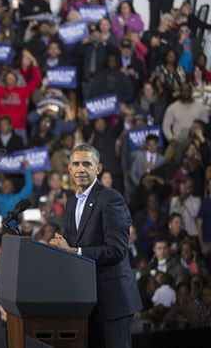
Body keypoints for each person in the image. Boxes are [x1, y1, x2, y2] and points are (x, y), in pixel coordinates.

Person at [50, 144, 142, 348]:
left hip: (113, 299)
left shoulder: (111, 198)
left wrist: (74, 252)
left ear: (98, 168)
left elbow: (116, 250)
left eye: (86, 164)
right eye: (76, 164)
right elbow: (72, 243)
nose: (81, 169)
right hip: (86, 299)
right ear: (69, 169)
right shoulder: (72, 203)